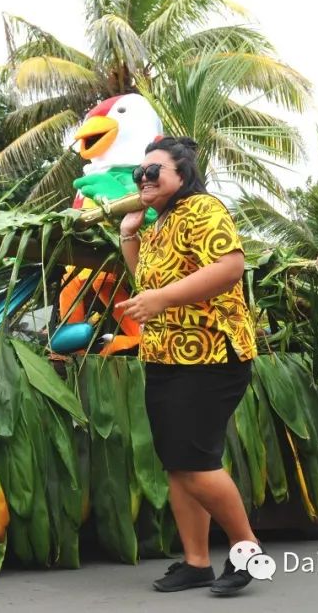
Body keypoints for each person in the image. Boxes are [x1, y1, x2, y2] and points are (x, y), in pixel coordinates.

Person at [115, 137, 261, 596]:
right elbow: (149, 283)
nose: (143, 179)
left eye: (154, 171)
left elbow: (229, 267)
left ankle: (248, 552)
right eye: (139, 173)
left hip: (211, 355)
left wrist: (161, 299)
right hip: (165, 356)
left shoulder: (203, 209)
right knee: (177, 464)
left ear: (182, 175)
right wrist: (130, 236)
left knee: (196, 462)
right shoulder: (161, 223)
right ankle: (197, 561)